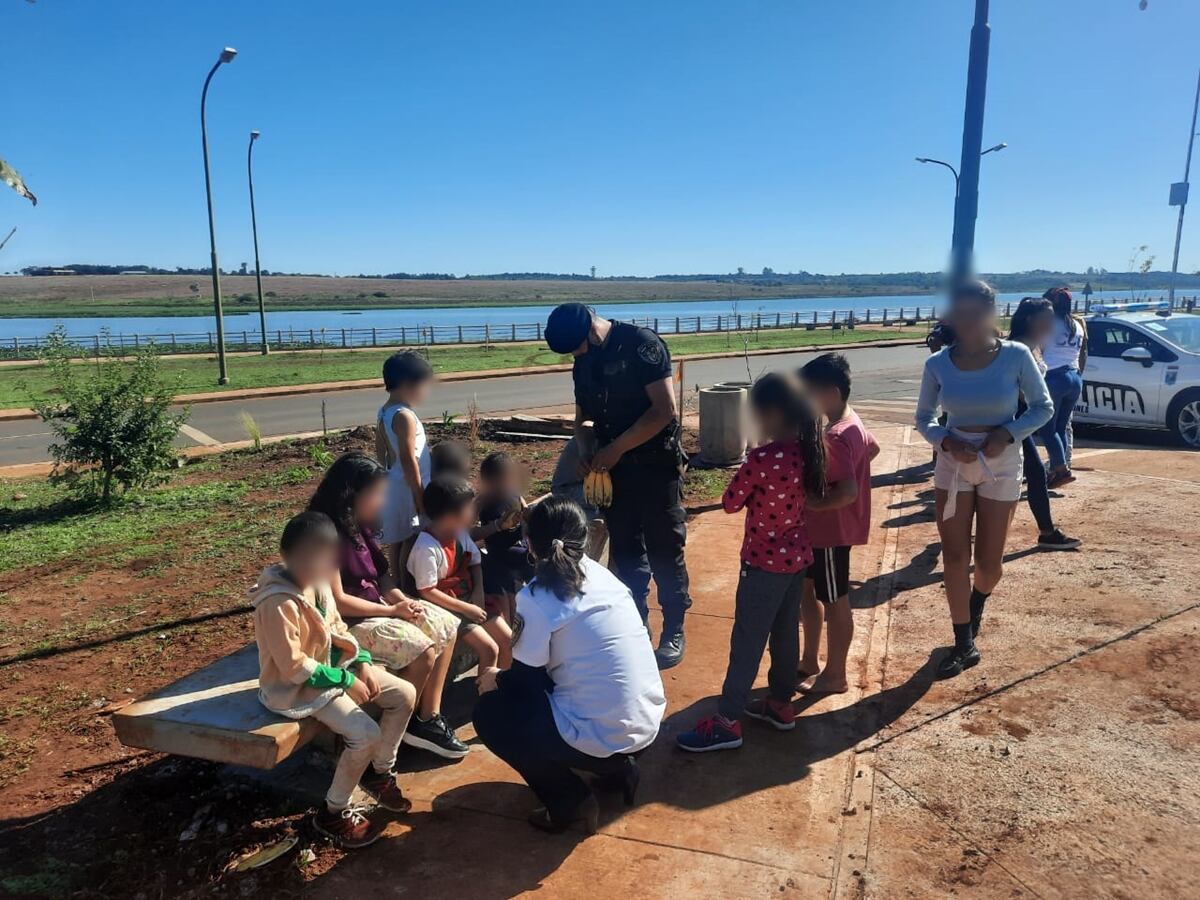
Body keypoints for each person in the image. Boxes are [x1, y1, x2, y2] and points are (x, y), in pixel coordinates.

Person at [473, 496, 666, 832]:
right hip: (646, 728)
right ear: (585, 537)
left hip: (606, 738)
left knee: (491, 714)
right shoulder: (604, 577)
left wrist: (496, 679)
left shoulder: (537, 598)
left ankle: (569, 803)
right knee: (571, 681)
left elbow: (526, 683)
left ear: (529, 545)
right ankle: (619, 771)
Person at [676, 373, 824, 752]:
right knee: (786, 632)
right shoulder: (808, 448)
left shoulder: (762, 458)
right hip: (796, 559)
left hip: (762, 564)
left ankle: (727, 720)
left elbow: (729, 502)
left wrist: (756, 453)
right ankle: (780, 703)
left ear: (772, 413)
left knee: (747, 640)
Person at [251, 511, 416, 848]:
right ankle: (333, 811)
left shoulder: (320, 582)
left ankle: (380, 772)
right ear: (288, 555)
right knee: (365, 734)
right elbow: (293, 667)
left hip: (332, 672)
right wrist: (345, 679)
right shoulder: (277, 603)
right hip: (297, 690)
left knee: (405, 694)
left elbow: (338, 629)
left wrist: (364, 663)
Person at [915, 279, 1054, 679]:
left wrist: (1007, 433)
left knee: (988, 564)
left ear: (991, 314)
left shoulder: (1015, 356)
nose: (968, 322)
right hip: (953, 465)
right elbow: (924, 417)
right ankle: (963, 641)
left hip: (1002, 462)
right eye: (961, 314)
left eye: (976, 313)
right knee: (955, 557)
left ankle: (977, 601)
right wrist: (944, 441)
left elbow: (1042, 408)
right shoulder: (937, 363)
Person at [544, 302, 691, 669]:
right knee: (626, 552)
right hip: (614, 474)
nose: (576, 357)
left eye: (576, 348)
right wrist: (585, 449)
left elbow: (663, 411)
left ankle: (674, 627)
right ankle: (636, 622)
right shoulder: (584, 359)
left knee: (665, 549)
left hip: (656, 468)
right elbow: (583, 417)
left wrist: (614, 449)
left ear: (592, 332)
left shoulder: (642, 345)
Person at [308, 453, 466, 760]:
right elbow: (339, 602)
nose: (381, 501)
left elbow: (382, 578)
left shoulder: (356, 524)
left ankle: (427, 718)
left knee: (446, 623)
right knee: (423, 649)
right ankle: (401, 724)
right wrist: (393, 612)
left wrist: (403, 602)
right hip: (347, 623)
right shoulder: (323, 532)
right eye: (377, 494)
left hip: (376, 609)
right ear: (353, 493)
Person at [797, 353, 880, 694]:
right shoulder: (847, 422)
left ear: (830, 391)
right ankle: (809, 660)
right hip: (818, 533)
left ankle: (835, 675)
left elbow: (846, 491)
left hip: (829, 533)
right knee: (809, 593)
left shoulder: (836, 435)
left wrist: (814, 501)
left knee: (835, 600)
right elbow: (872, 449)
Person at [408, 475, 507, 671]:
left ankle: (502, 688)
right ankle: (486, 694)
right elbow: (426, 591)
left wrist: (478, 590)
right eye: (469, 508)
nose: (473, 512)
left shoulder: (459, 533)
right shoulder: (426, 547)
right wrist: (465, 608)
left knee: (507, 638)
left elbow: (475, 562)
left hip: (469, 600)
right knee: (490, 649)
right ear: (449, 515)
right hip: (448, 609)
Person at [1008, 298, 1083, 551]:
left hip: (1022, 419)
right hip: (1012, 419)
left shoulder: (1035, 345)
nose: (1052, 323)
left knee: (1028, 473)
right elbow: (1016, 387)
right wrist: (1035, 401)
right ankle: (1047, 532)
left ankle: (1046, 532)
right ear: (1030, 319)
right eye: (1047, 318)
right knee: (1032, 472)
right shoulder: (1019, 347)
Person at [375, 351, 434, 579]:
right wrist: (420, 497)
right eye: (423, 385)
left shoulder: (385, 411)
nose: (425, 392)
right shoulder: (405, 416)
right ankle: (405, 584)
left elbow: (381, 449)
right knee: (412, 537)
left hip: (394, 483)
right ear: (408, 384)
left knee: (397, 540)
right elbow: (409, 459)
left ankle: (398, 582)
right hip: (409, 487)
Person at [473, 451, 533, 666]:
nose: (504, 486)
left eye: (508, 480)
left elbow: (527, 519)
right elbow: (469, 534)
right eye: (497, 482)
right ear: (487, 482)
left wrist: (526, 518)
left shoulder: (515, 495)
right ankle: (510, 654)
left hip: (521, 553)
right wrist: (498, 526)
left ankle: (524, 648)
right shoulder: (481, 503)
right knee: (506, 603)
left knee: (530, 582)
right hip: (500, 557)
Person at [1038, 287, 1088, 488]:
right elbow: (1082, 352)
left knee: (1048, 430)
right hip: (1074, 377)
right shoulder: (1077, 324)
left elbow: (1038, 350)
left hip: (1054, 377)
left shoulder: (1048, 324)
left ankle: (1061, 470)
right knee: (1061, 428)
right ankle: (1061, 467)